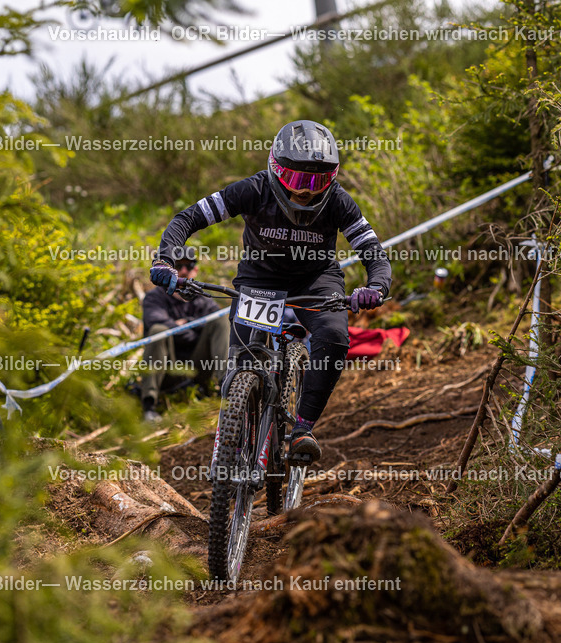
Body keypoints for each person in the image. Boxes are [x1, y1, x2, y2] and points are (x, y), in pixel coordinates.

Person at [149, 120, 390, 463]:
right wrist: (166, 261)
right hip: (260, 279)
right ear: (276, 169)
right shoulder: (254, 189)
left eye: (317, 181)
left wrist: (375, 286)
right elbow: (187, 218)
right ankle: (236, 430)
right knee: (241, 360)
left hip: (316, 280)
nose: (306, 191)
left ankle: (303, 429)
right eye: (296, 179)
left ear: (332, 178)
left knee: (334, 336)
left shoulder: (339, 201)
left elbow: (373, 253)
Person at [139, 251, 229, 422]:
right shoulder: (154, 298)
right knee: (158, 330)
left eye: (189, 266)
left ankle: (226, 390)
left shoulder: (204, 300)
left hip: (199, 368)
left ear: (195, 270)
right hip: (168, 371)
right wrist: (194, 328)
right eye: (178, 266)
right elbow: (156, 321)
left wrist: (184, 323)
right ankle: (149, 407)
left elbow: (217, 323)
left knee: (220, 320)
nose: (184, 271)